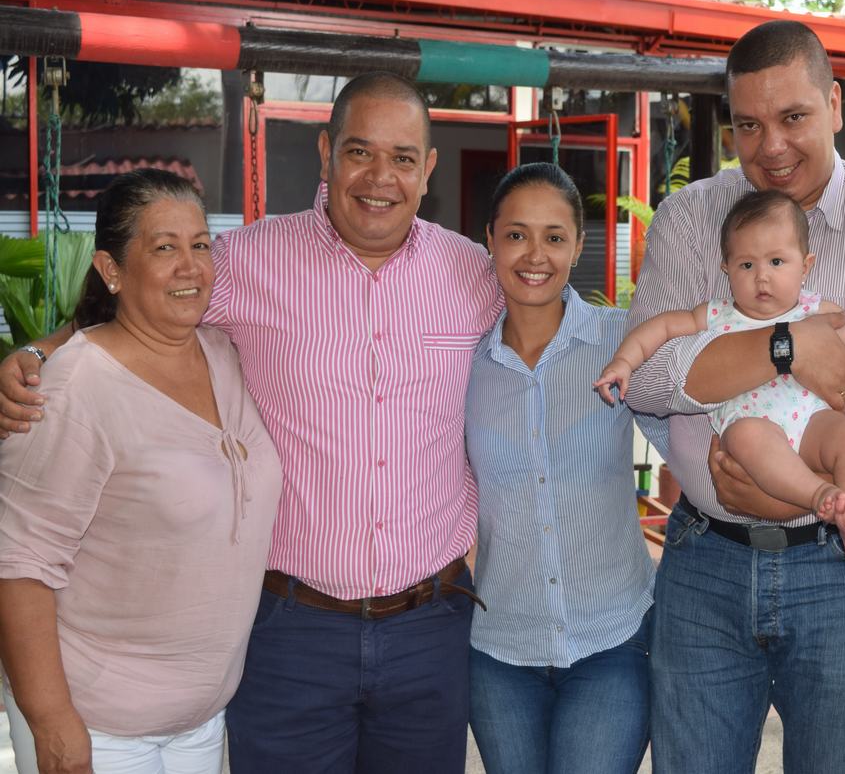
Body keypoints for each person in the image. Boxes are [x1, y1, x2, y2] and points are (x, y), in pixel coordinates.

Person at [0, 73, 502, 773]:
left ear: (429, 167)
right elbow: (140, 303)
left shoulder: (474, 274)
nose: (379, 177)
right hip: (289, 633)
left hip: (429, 628)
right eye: (359, 151)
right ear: (326, 152)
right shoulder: (244, 261)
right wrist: (33, 354)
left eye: (403, 157)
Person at [623, 19, 845, 773]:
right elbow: (642, 382)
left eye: (793, 117)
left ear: (835, 104)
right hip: (704, 558)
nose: (769, 146)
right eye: (747, 124)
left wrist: (803, 493)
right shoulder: (689, 218)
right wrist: (783, 347)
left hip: (843, 560)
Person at [0, 169, 283, 774]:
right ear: (111, 268)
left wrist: (32, 346)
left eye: (200, 244)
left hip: (199, 723)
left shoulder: (224, 352)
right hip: (97, 729)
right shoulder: (75, 388)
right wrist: (51, 723)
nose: (190, 266)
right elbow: (19, 565)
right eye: (164, 247)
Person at [464, 162, 655, 774]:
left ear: (577, 245)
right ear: (489, 240)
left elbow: (697, 419)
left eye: (554, 236)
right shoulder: (463, 364)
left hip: (612, 641)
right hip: (499, 649)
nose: (534, 254)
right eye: (516, 234)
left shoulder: (620, 343)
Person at [596, 189, 845, 560]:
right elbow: (657, 329)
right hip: (753, 427)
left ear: (806, 266)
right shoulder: (716, 315)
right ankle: (820, 496)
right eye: (746, 265)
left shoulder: (820, 313)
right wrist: (623, 363)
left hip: (813, 422)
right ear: (726, 269)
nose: (762, 278)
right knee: (746, 438)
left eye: (776, 262)